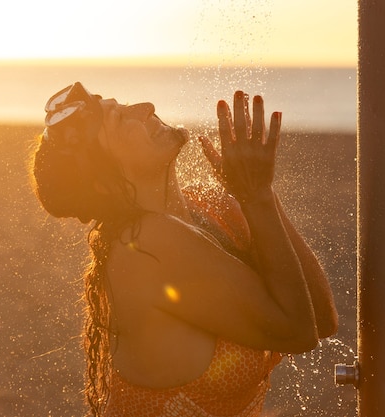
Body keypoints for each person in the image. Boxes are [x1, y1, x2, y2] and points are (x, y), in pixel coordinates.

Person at [30, 82, 338, 417]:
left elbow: (321, 319)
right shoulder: (143, 245)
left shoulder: (209, 207)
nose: (146, 106)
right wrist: (257, 196)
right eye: (120, 120)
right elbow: (297, 331)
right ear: (105, 180)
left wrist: (256, 192)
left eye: (127, 104)